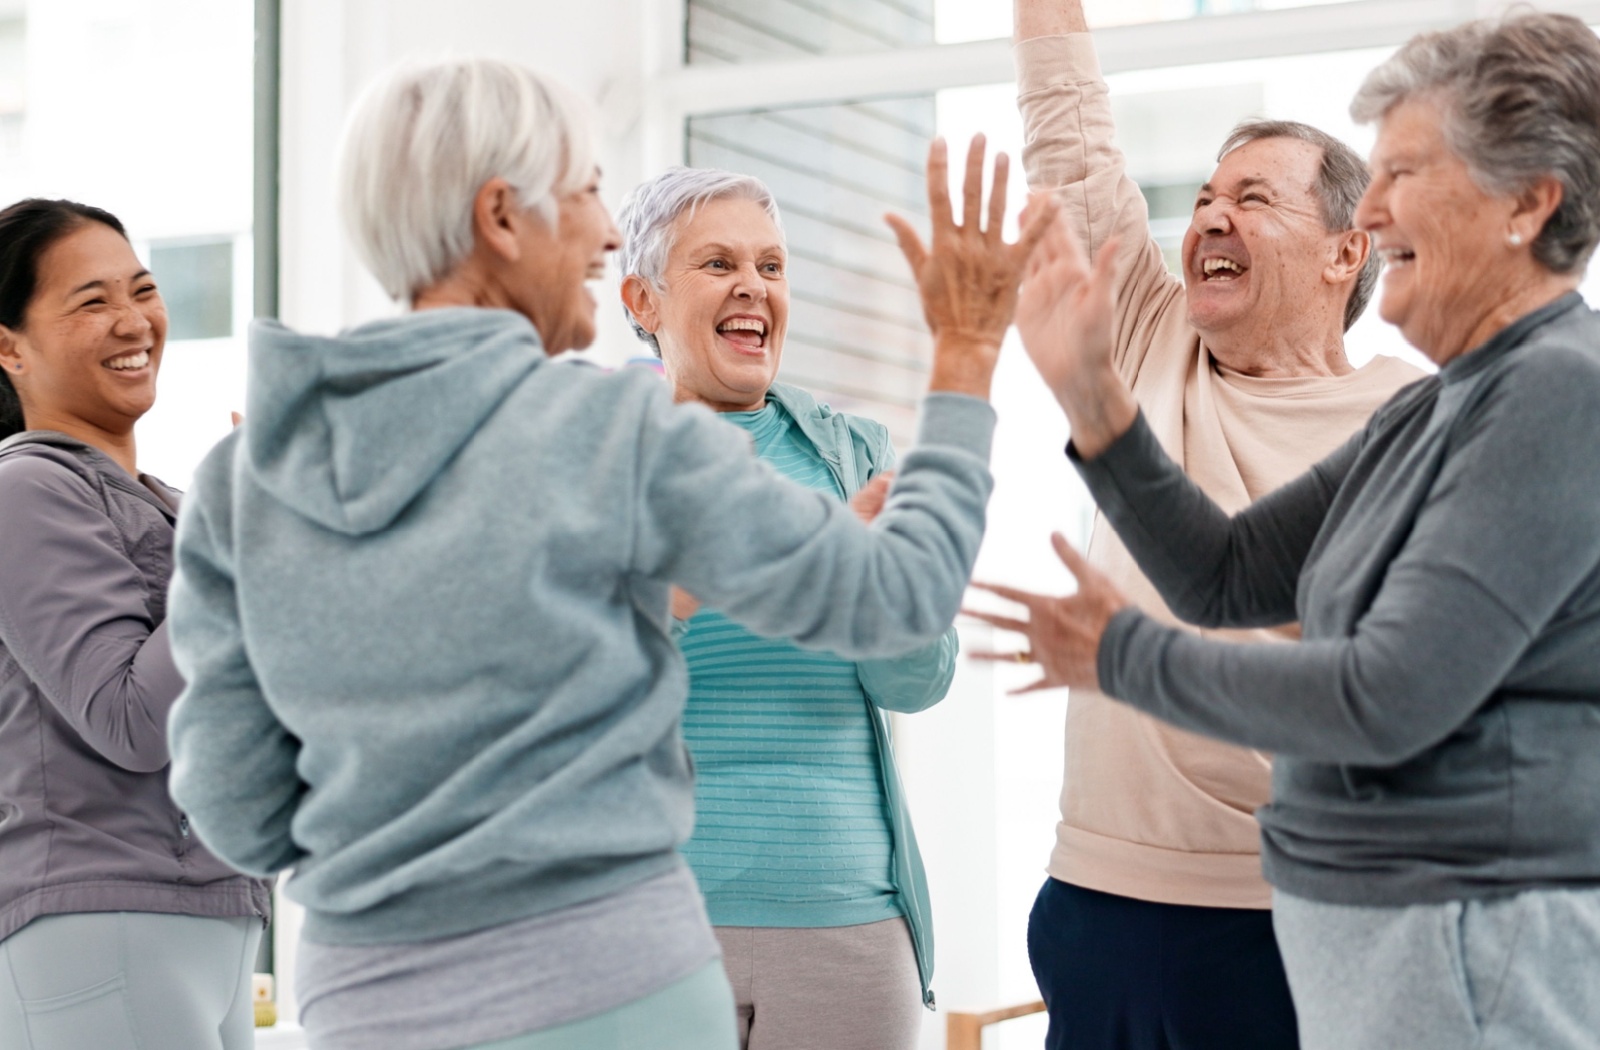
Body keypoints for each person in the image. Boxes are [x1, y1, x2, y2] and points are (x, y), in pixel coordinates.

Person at [163, 57, 1052, 1050]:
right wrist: (968, 348)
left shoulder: (243, 479)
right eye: (585, 191)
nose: (601, 229)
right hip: (614, 988)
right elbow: (905, 592)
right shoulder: (613, 435)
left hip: (369, 1003)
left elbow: (237, 811)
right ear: (502, 217)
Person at [977, 11, 1600, 1050]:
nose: (1384, 200)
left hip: (1458, 943)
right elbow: (1225, 576)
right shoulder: (1438, 407)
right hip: (1361, 934)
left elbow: (1385, 697)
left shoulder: (1550, 396)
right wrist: (1091, 396)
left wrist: (1117, 652)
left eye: (1406, 170)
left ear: (1525, 204)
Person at [1005, 2, 1420, 1047]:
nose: (1207, 218)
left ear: (1345, 253)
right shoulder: (1151, 337)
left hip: (1284, 916)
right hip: (1093, 893)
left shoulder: (1408, 415)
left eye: (1252, 197)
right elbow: (1072, 139)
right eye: (1199, 198)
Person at [616, 167, 952, 1050]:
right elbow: (570, 671)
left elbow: (918, 681)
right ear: (643, 299)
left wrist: (878, 588)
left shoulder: (854, 456)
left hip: (847, 922)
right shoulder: (594, 457)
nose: (752, 287)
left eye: (771, 265)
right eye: (717, 262)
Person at [0, 198, 271, 1050]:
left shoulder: (179, 508)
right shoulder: (24, 491)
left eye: (143, 288)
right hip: (99, 913)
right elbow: (131, 719)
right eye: (90, 301)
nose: (134, 320)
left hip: (217, 911)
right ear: (9, 347)